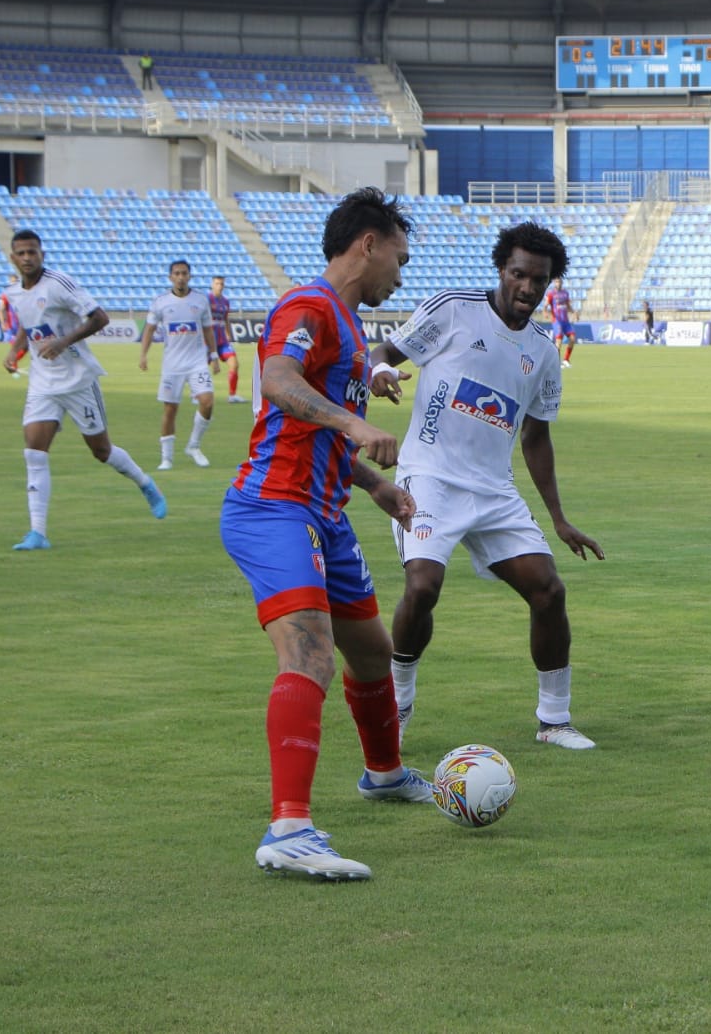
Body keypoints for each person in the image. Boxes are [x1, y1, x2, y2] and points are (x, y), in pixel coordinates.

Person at [220, 188, 430, 881]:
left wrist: (377, 487)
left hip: (325, 515)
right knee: (309, 654)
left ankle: (384, 773)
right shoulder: (307, 307)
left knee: (371, 654)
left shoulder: (348, 328)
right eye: (398, 257)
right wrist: (356, 423)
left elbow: (326, 435)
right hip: (273, 507)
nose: (401, 274)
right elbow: (278, 380)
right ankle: (289, 828)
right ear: (367, 245)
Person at [368, 221, 606, 752]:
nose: (527, 288)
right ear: (502, 269)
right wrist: (377, 370)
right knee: (423, 586)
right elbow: (386, 352)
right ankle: (397, 703)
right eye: (519, 274)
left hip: (493, 490)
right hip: (427, 476)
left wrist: (559, 519)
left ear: (549, 284)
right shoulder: (454, 309)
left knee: (548, 590)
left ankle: (555, 720)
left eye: (538, 280)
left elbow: (536, 437)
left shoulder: (543, 350)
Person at [1, 229, 167, 551]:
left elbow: (99, 318)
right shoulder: (14, 292)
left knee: (101, 451)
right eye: (20, 253)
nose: (27, 258)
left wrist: (63, 342)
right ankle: (38, 533)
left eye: (32, 252)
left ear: (42, 254)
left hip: (78, 380)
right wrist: (14, 351)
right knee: (34, 452)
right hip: (42, 382)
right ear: (12, 258)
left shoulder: (58, 284)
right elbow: (27, 325)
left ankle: (145, 483)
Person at [140, 259, 218, 469]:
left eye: (184, 273)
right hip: (172, 364)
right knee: (170, 409)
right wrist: (143, 355)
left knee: (207, 401)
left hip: (197, 362)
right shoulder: (161, 302)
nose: (181, 277)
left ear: (189, 276)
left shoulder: (200, 300)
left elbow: (209, 329)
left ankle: (193, 445)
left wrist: (214, 355)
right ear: (170, 277)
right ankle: (167, 458)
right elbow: (149, 329)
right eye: (177, 273)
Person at [208, 275, 246, 403]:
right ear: (212, 284)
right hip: (208, 340)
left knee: (234, 364)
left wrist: (228, 333)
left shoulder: (225, 301)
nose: (219, 286)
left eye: (221, 284)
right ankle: (196, 394)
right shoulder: (207, 299)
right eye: (217, 283)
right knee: (200, 369)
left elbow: (226, 318)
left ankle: (232, 395)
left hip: (222, 340)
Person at [0, 273, 27, 378]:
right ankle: (13, 368)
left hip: (22, 324)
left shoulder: (22, 293)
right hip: (12, 325)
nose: (13, 284)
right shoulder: (6, 294)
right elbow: (1, 308)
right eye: (12, 282)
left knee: (25, 347)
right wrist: (3, 322)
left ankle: (12, 363)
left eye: (15, 282)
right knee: (15, 347)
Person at [546, 277, 577, 367]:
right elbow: (546, 305)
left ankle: (566, 360)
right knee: (559, 341)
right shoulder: (551, 294)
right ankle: (556, 362)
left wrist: (574, 313)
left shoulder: (565, 293)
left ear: (562, 282)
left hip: (565, 321)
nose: (558, 283)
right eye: (556, 282)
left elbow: (568, 305)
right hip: (557, 321)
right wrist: (546, 313)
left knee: (572, 338)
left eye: (559, 282)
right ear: (554, 283)